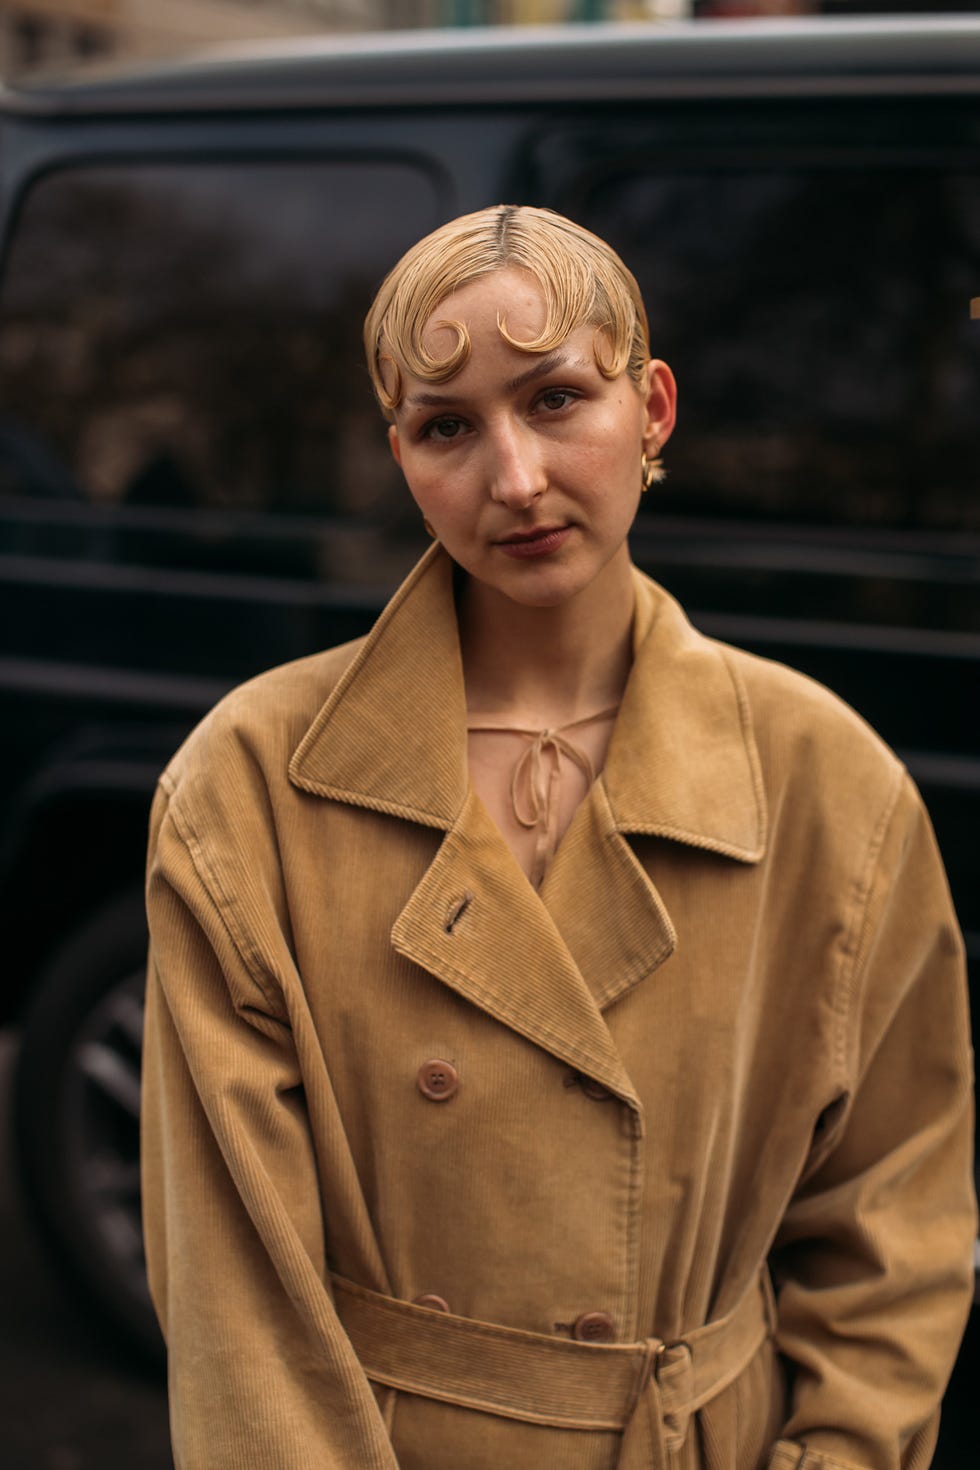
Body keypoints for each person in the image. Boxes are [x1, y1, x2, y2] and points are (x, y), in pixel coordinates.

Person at [141, 205, 975, 1470]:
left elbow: (894, 1222)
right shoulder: (250, 786)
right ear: (398, 455)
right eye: (447, 426)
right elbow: (231, 1295)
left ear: (651, 409)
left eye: (555, 400)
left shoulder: (826, 781)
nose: (514, 480)